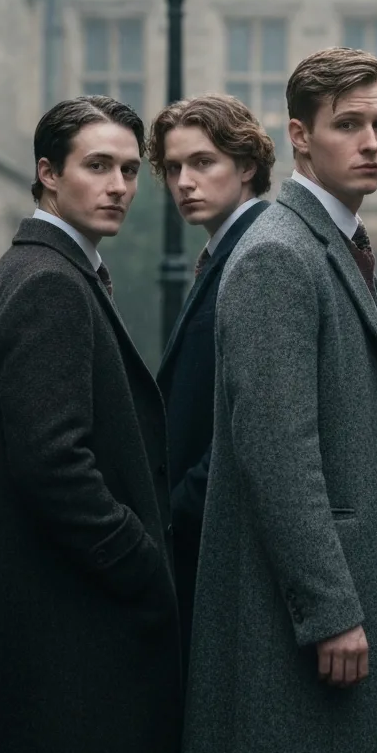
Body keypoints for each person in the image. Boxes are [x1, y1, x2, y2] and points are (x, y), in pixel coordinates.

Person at [180, 48, 377, 753]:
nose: (372, 143)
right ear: (300, 136)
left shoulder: (334, 243)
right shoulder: (278, 256)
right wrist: (329, 610)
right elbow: (278, 452)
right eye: (349, 124)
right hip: (303, 624)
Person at [0, 96, 181, 753]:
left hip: (42, 613)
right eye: (97, 166)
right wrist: (140, 564)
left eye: (129, 170)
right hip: (61, 620)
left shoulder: (38, 269)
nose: (119, 186)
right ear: (47, 172)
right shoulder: (48, 284)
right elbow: (52, 463)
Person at [149, 93, 273, 674]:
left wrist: (175, 512)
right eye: (174, 168)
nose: (184, 182)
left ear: (247, 165)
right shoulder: (224, 250)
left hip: (220, 538)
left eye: (203, 163)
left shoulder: (258, 254)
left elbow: (254, 423)